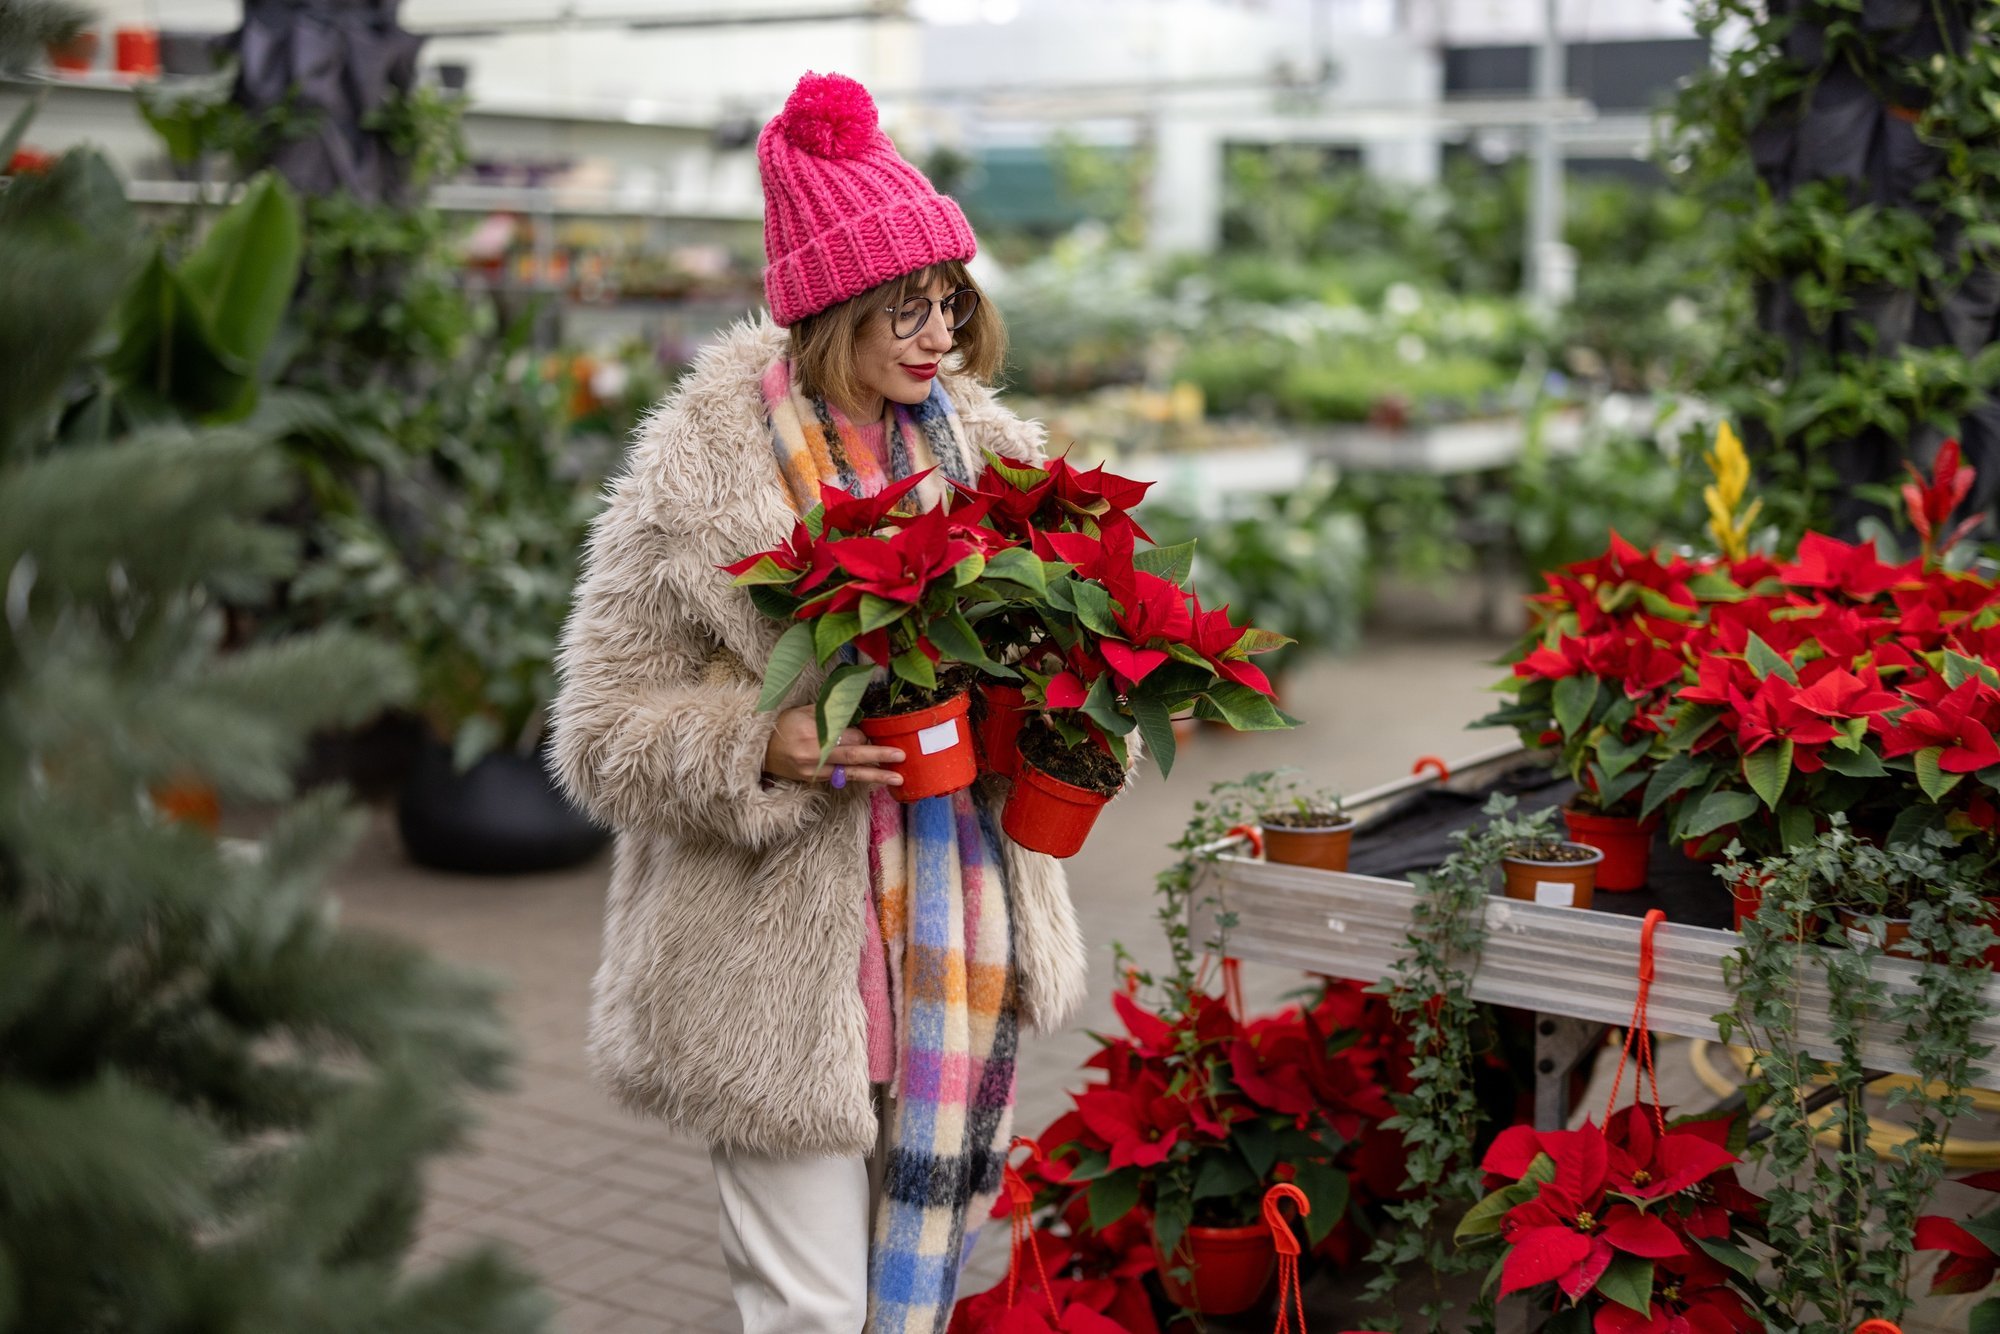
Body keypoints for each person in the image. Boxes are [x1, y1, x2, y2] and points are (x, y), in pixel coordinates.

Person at [548, 71, 1089, 1333]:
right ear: (830, 309)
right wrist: (762, 743)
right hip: (775, 979)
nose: (937, 330)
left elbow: (1052, 670)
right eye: (904, 304)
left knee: (916, 1294)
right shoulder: (699, 470)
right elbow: (599, 732)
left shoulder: (996, 466)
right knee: (805, 1311)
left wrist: (1065, 711)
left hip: (953, 947)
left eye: (949, 297)